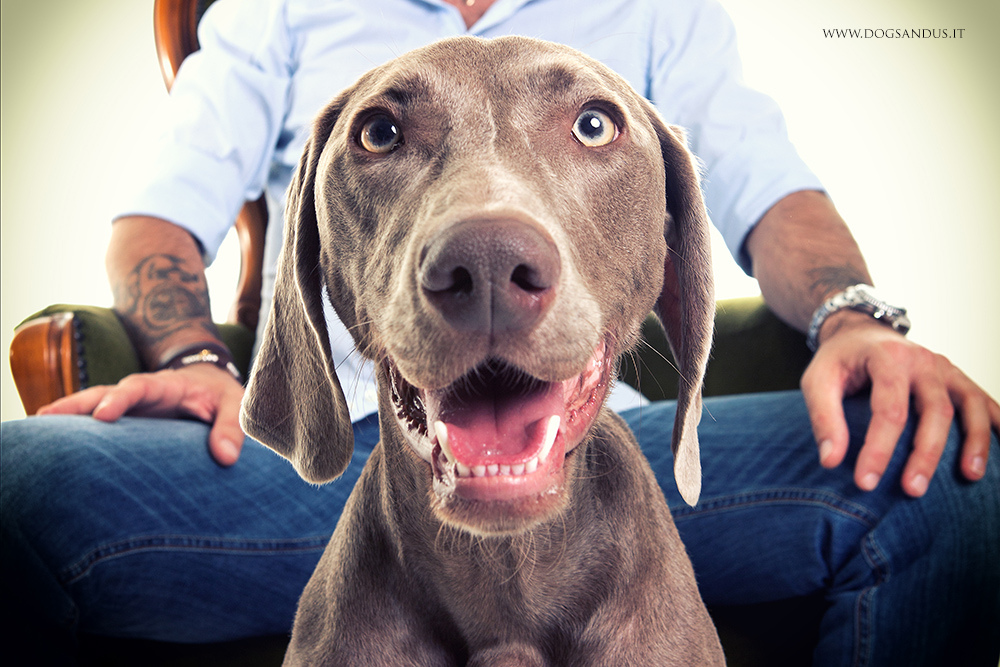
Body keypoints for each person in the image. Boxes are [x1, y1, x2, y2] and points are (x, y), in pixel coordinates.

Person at [2, 0, 998, 664]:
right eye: (382, 135)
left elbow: (767, 189)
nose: (487, 258)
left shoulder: (656, 8)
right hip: (322, 457)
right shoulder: (281, 6)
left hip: (624, 446)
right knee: (18, 485)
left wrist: (851, 318)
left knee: (946, 469)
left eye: (593, 129)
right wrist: (193, 355)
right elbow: (158, 217)